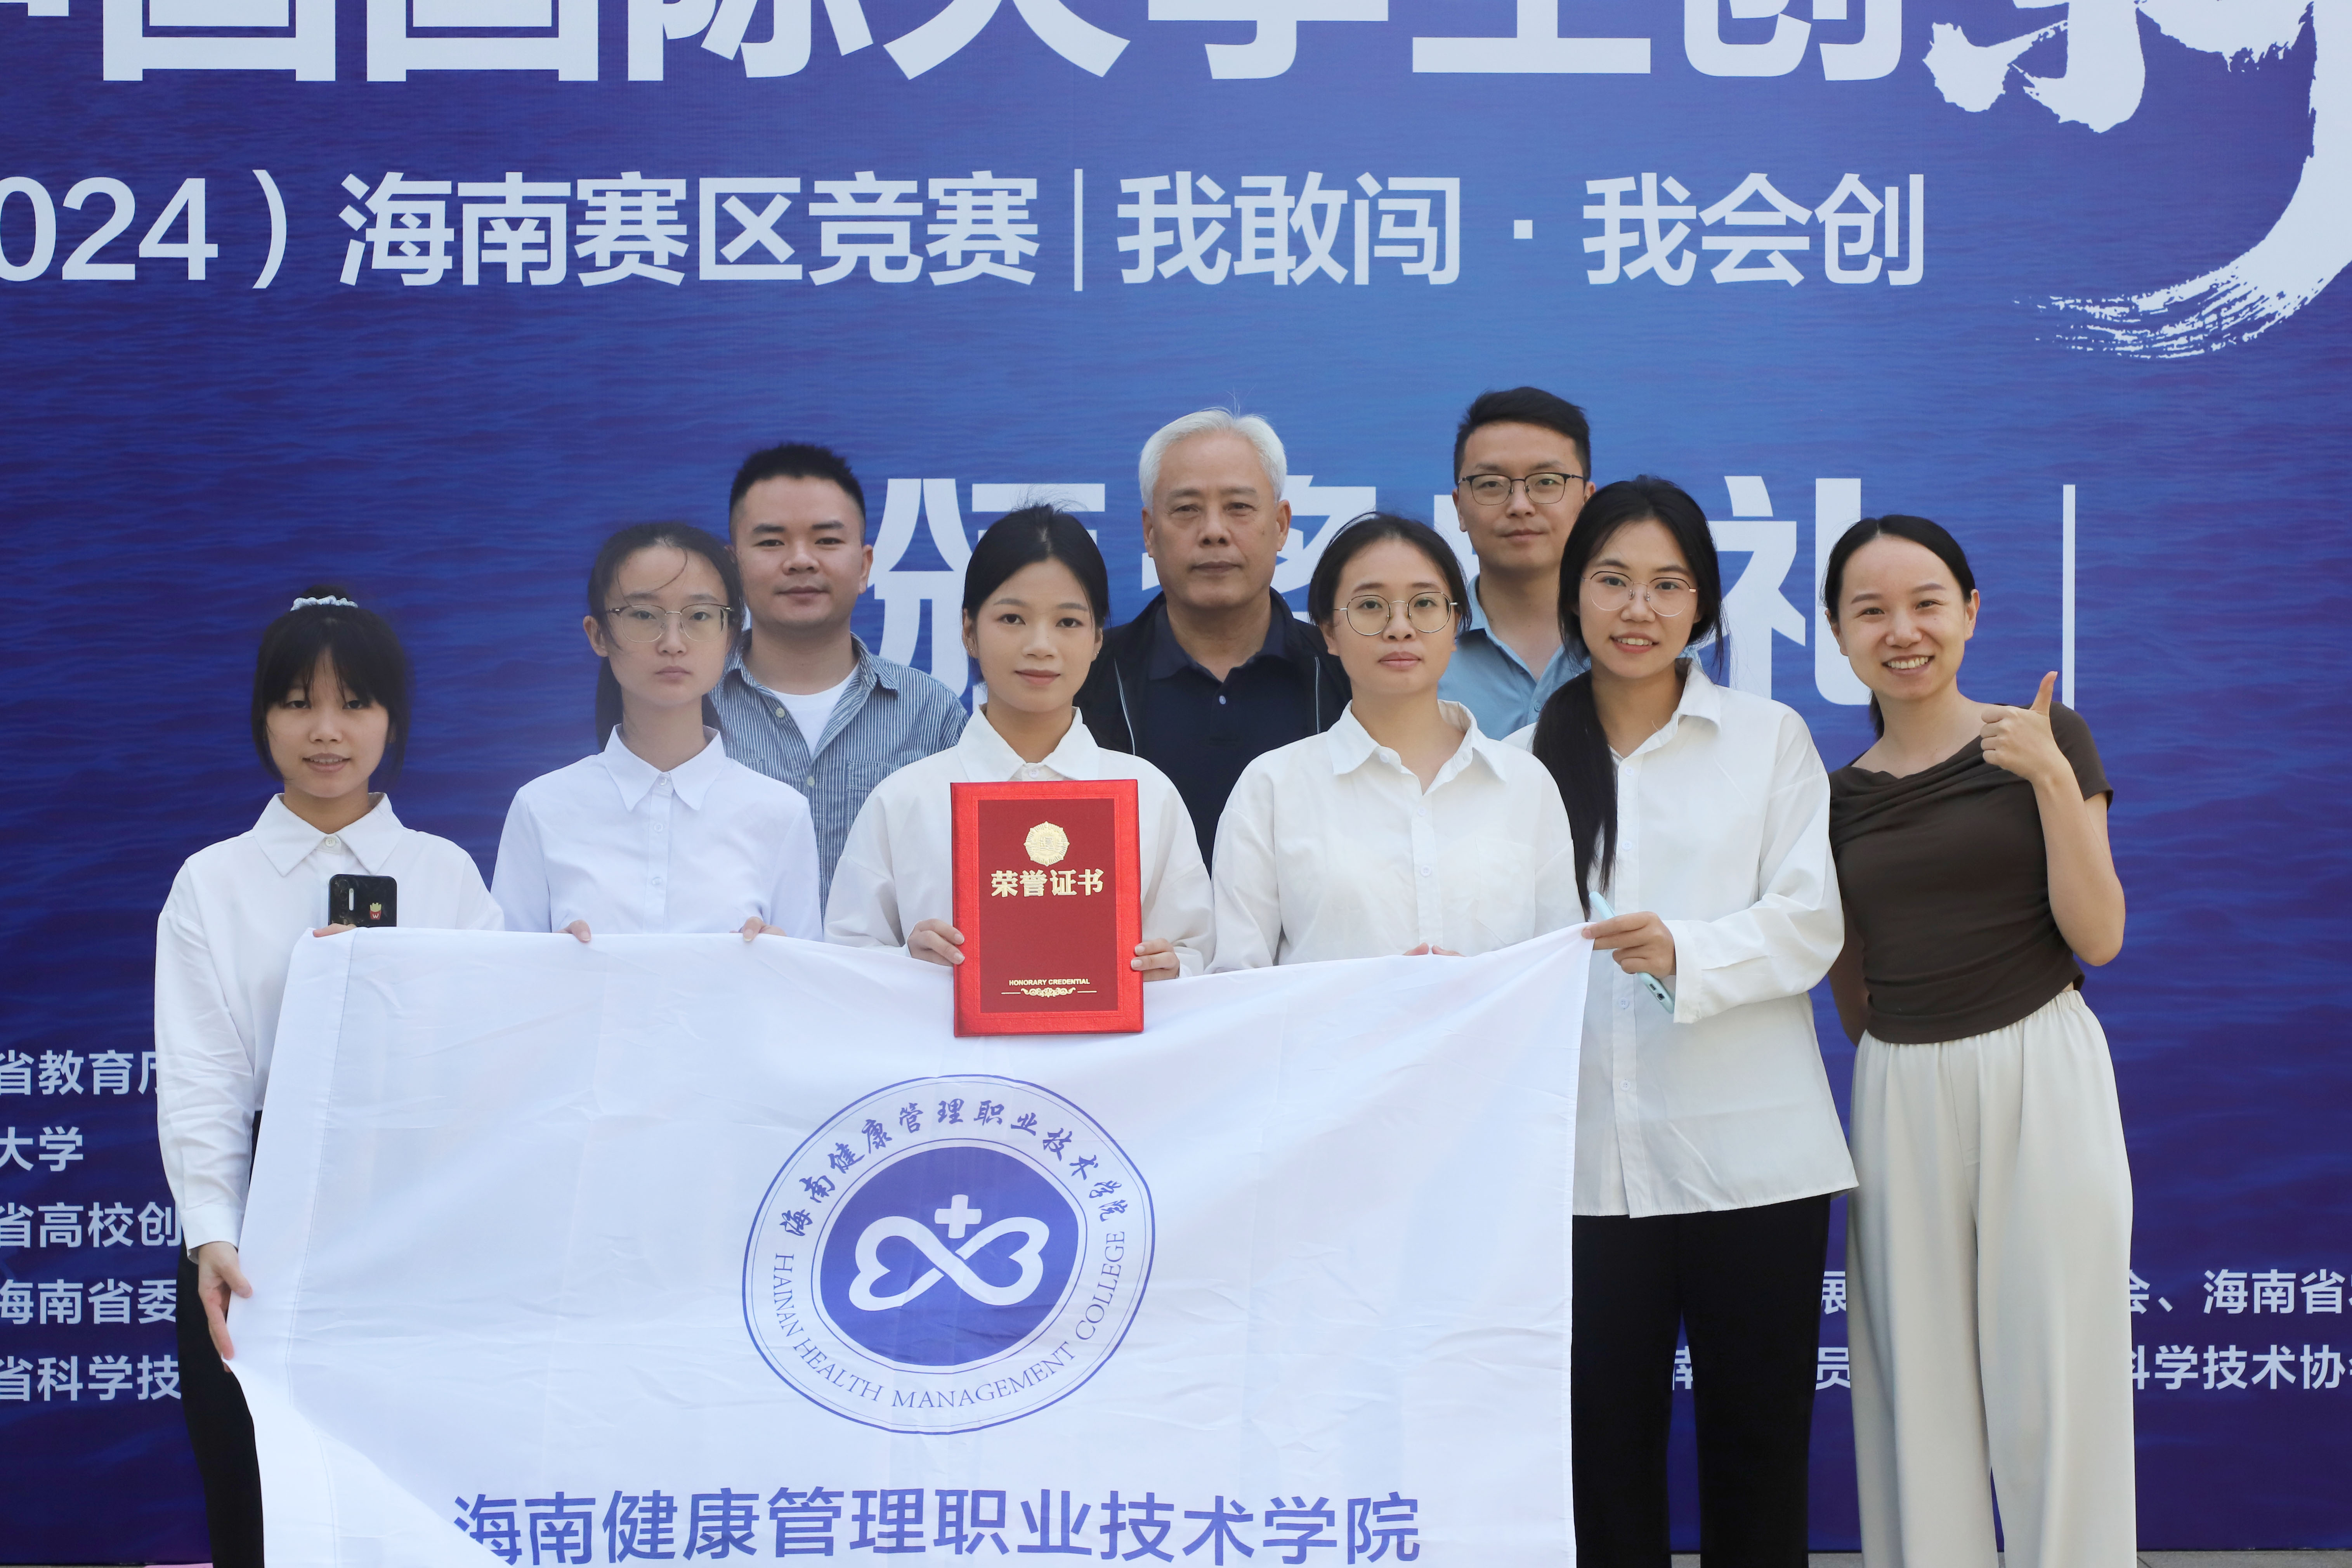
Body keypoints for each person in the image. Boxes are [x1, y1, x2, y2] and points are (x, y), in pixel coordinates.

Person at [1519, 478, 1852, 1568]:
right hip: (1578, 1173)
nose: (1638, 609)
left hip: (1749, 1161)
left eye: (1667, 586)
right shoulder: (1517, 761)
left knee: (1758, 1447)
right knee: (1597, 1455)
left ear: (1703, 605)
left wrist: (1686, 953)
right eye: (1611, 581)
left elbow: (1809, 922)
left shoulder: (1766, 739)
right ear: (1573, 595)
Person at [154, 589, 503, 1568]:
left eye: (355, 702)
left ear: (393, 718)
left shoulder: (444, 876)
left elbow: (493, 1061)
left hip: (417, 1207)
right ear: (262, 717)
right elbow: (203, 1078)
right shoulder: (213, 882)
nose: (326, 732)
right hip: (262, 1218)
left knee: (412, 1504)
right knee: (260, 1501)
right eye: (297, 702)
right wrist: (214, 1236)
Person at [1821, 515, 2131, 1568]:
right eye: (1870, 611)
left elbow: (2099, 935)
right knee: (1919, 1398)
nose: (1901, 632)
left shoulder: (2046, 737)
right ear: (1837, 634)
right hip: (1899, 1088)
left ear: (1969, 612)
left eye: (1925, 604)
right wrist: (1914, 1060)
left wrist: (2044, 775)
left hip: (2041, 1070)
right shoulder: (1834, 800)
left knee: (2056, 1380)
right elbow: (1849, 984)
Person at [828, 505, 1213, 978]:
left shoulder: (1147, 794)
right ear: (969, 630)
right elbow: (844, 962)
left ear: (1097, 639)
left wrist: (1171, 971)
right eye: (1012, 618)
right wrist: (910, 963)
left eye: (1068, 622)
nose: (1040, 646)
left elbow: (1199, 953)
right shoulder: (906, 799)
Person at [1208, 512, 1580, 968]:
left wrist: (1478, 985)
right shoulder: (1272, 788)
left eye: (1424, 604)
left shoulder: (1525, 783)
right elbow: (1236, 979)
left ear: (1456, 626)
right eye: (1370, 605)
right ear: (1328, 631)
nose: (1400, 627)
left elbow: (1561, 967)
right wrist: (1377, 996)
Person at [493, 523, 822, 942]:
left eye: (699, 616)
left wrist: (778, 959)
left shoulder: (781, 813)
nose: (672, 642)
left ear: (731, 635)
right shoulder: (542, 808)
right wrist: (548, 963)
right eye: (644, 615)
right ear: (598, 635)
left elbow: (807, 979)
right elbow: (504, 973)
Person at [1075, 408, 1349, 867]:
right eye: (1187, 509)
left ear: (1281, 525)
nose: (1214, 532)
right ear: (1149, 532)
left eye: (1239, 507)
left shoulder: (1345, 672)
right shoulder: (1085, 679)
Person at [709, 442, 967, 901]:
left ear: (865, 566)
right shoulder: (694, 703)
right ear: (733, 567)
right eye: (771, 542)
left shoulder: (930, 712)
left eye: (827, 540)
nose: (801, 560)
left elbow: (967, 869)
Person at [1436, 386, 1596, 739]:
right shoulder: (1416, 644)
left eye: (1547, 482)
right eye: (1491, 484)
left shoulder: (1637, 635)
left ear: (1587, 502)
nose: (1520, 505)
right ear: (1460, 507)